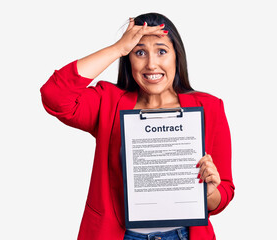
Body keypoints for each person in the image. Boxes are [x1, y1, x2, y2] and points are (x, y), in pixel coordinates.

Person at [40, 12, 234, 240]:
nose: (151, 64)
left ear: (176, 57)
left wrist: (208, 194)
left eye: (162, 51)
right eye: (139, 52)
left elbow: (224, 192)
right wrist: (117, 48)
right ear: (128, 58)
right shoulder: (108, 103)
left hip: (183, 235)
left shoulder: (209, 107)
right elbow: (55, 95)